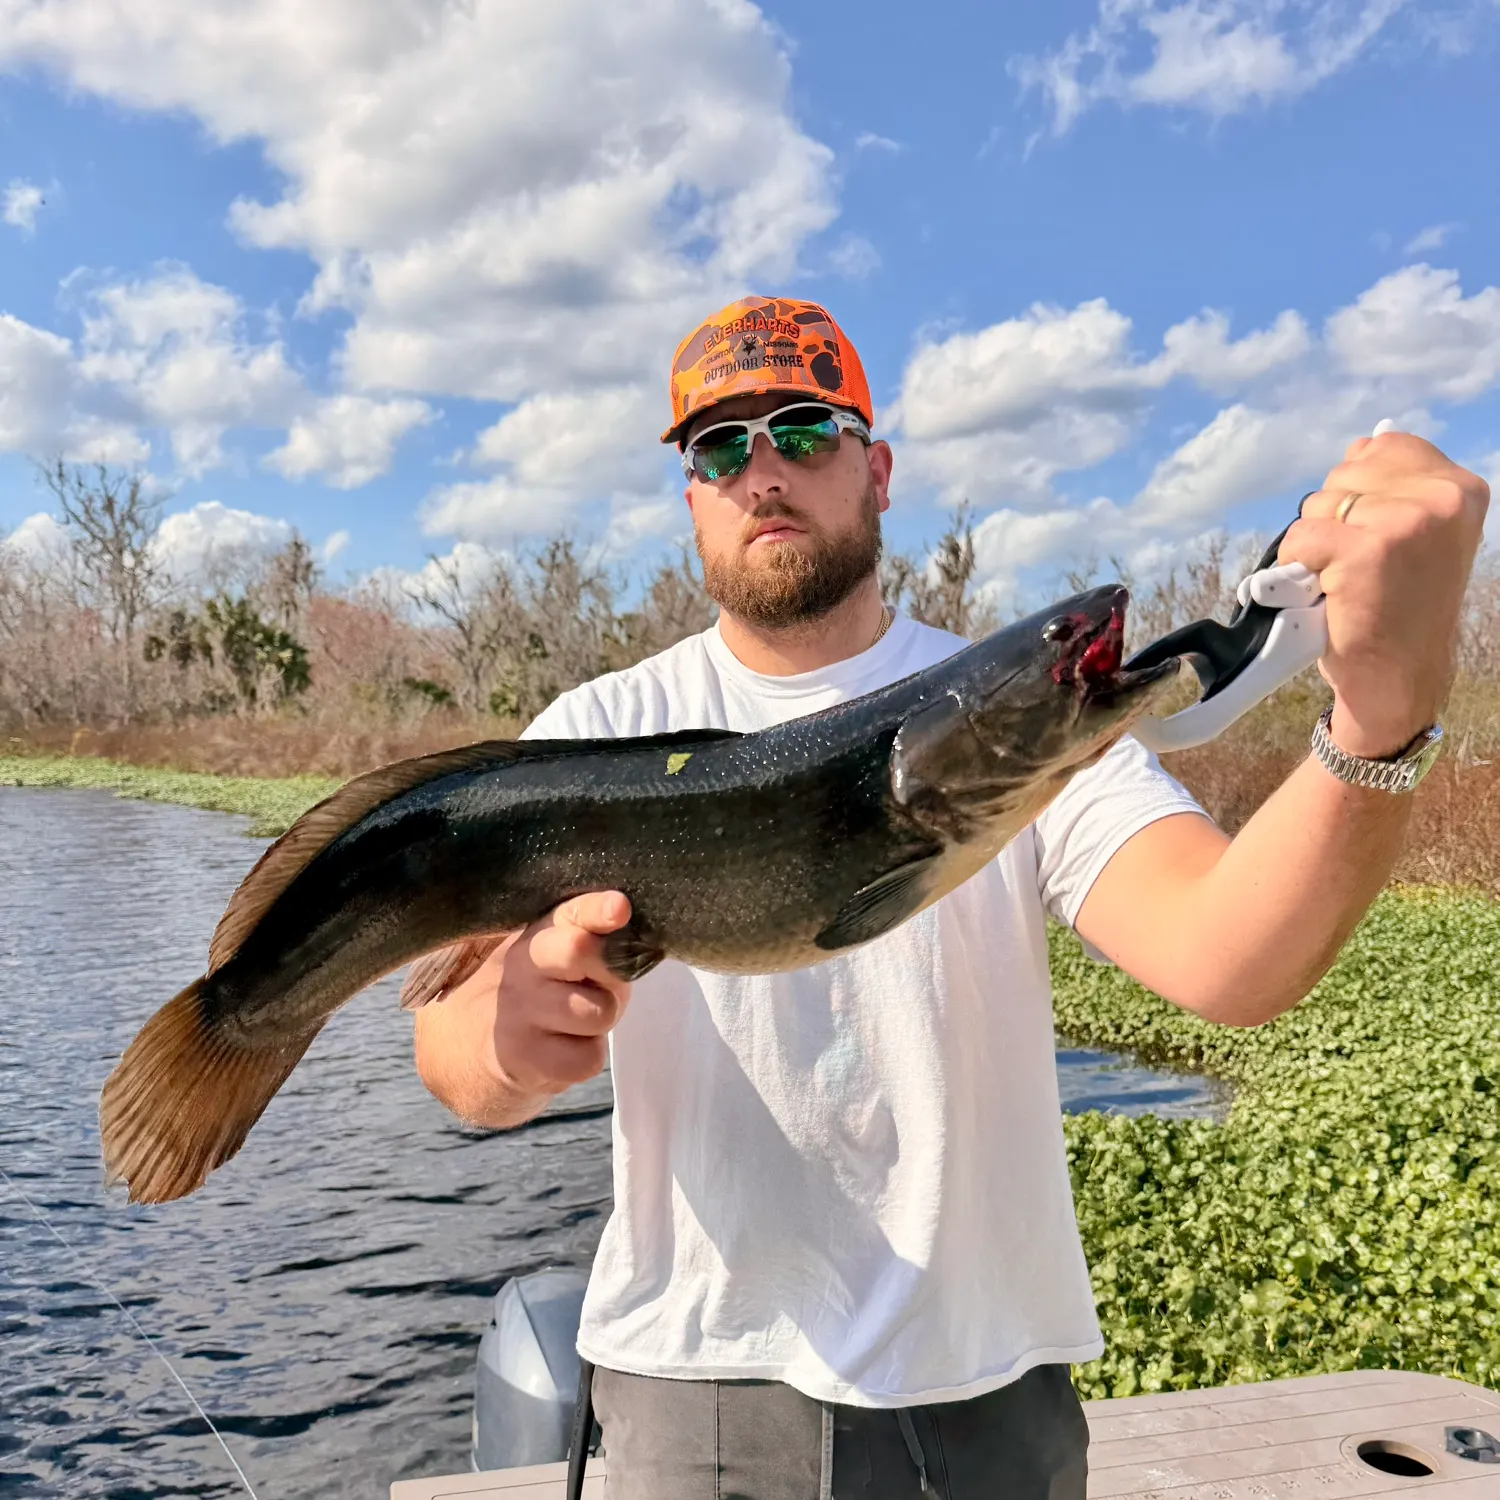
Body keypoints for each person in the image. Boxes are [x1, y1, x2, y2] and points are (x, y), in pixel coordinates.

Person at [412, 296, 1488, 1498]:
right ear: (692, 502)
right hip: (688, 1384)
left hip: (982, 1391)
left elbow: (1228, 954)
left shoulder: (1026, 716)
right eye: (721, 448)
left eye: (804, 431)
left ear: (876, 470)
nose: (762, 468)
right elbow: (452, 1051)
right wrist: (502, 1037)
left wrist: (1381, 721)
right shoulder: (594, 737)